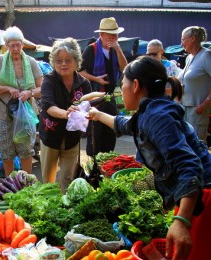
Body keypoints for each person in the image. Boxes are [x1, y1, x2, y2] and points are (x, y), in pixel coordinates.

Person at [88, 56, 211, 260]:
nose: (121, 89)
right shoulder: (151, 110)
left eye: (122, 84)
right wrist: (97, 114)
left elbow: (188, 165)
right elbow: (125, 124)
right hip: (193, 195)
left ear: (135, 85)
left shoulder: (157, 116)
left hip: (202, 197)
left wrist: (181, 221)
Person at [0, 26, 43, 176]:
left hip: (26, 114)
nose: (16, 48)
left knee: (25, 150)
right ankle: (11, 182)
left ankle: (26, 183)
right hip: (3, 112)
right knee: (6, 150)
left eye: (18, 44)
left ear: (23, 45)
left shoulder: (31, 62)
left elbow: (42, 89)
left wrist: (29, 92)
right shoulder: (0, 60)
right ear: (7, 46)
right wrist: (8, 89)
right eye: (12, 45)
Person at [39, 38, 91, 193]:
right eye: (59, 60)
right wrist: (67, 113)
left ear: (77, 61)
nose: (63, 64)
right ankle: (47, 209)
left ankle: (65, 208)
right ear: (53, 62)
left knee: (67, 179)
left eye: (68, 60)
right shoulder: (49, 80)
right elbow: (48, 106)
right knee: (48, 181)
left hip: (72, 138)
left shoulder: (84, 83)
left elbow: (89, 106)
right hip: (51, 136)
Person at [79, 17, 127, 156]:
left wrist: (118, 49)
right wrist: (96, 79)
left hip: (109, 96)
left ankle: (108, 158)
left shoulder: (116, 49)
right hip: (94, 96)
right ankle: (93, 163)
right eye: (110, 34)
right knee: (95, 132)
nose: (114, 37)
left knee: (110, 130)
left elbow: (125, 69)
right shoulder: (91, 49)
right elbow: (80, 72)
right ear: (102, 35)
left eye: (115, 34)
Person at [178, 26, 211, 141]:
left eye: (183, 39)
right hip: (184, 108)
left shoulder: (206, 55)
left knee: (196, 145)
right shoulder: (189, 58)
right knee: (185, 145)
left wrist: (206, 103)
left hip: (198, 110)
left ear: (192, 38)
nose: (181, 43)